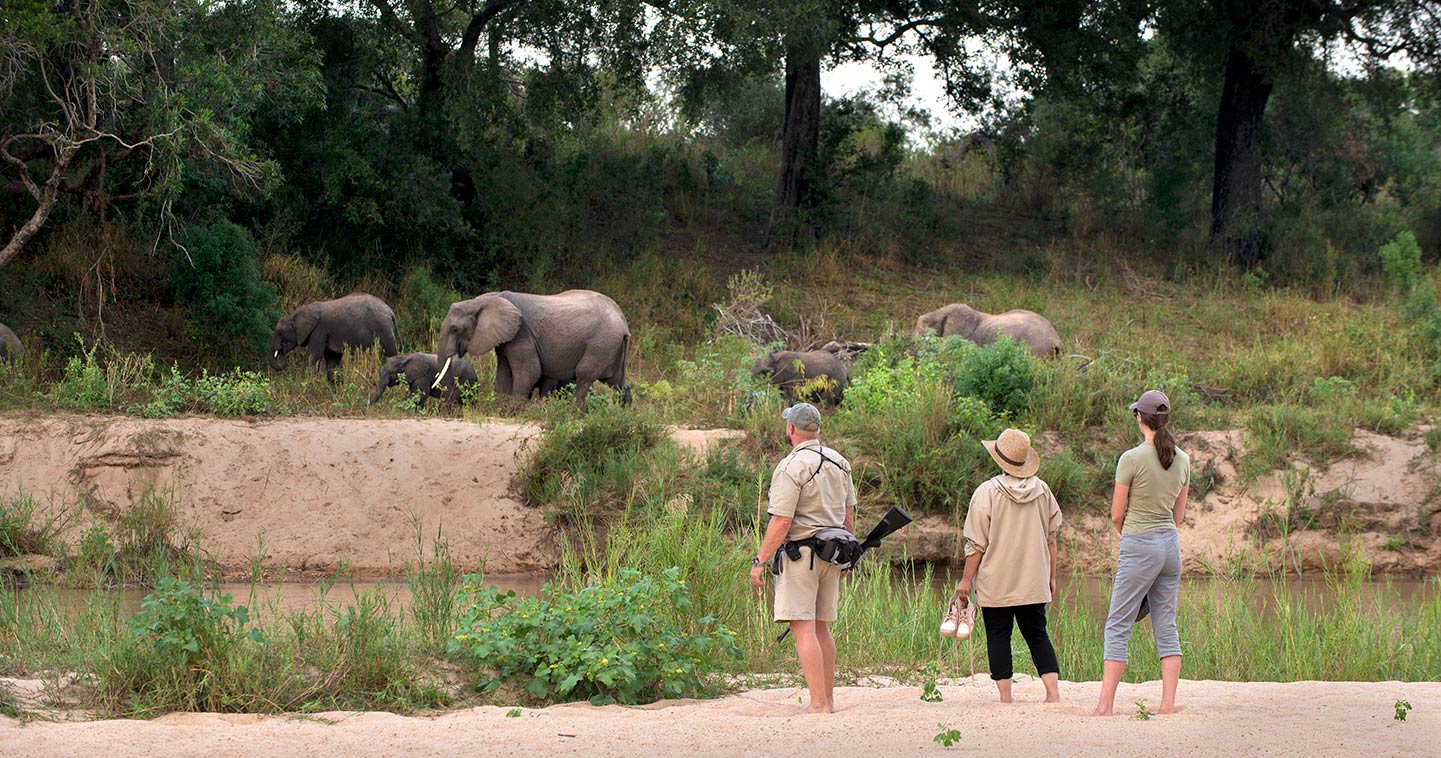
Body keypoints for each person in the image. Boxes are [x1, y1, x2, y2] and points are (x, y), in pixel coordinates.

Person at [749, 402, 857, 714]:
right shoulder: (840, 462)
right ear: (817, 429)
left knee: (804, 628)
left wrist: (760, 561)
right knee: (822, 627)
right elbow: (848, 516)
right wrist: (847, 558)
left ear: (791, 429)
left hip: (802, 556)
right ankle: (828, 700)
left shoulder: (790, 466)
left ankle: (818, 704)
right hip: (834, 551)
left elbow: (781, 521)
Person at [1091, 389, 1190, 717]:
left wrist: (1132, 539)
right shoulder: (1184, 459)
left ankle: (1105, 706)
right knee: (1166, 624)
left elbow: (1117, 515)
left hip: (1140, 543)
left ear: (1139, 418)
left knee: (1118, 622)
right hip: (1170, 546)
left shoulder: (1131, 459)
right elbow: (1179, 517)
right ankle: (1167, 706)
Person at [953, 428, 1063, 703]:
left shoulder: (987, 492)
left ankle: (1005, 699)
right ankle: (1053, 694)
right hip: (1033, 579)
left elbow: (976, 544)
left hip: (996, 580)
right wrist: (1050, 577)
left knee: (998, 636)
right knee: (1037, 634)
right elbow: (1052, 539)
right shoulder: (1043, 490)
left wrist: (966, 581)